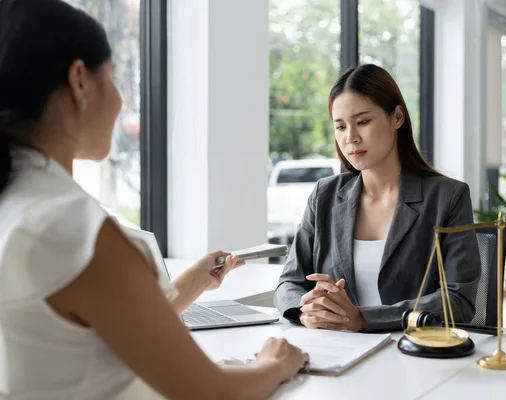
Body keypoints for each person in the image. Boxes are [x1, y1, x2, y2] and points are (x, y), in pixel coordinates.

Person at [0, 1, 306, 399]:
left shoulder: (17, 204)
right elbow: (211, 392)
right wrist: (275, 364)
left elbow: (79, 327)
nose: (120, 99)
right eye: (114, 78)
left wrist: (189, 285)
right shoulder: (74, 228)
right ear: (79, 80)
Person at [274, 64, 481, 332]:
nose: (351, 138)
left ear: (397, 117)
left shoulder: (447, 197)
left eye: (362, 122)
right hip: (335, 349)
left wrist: (364, 319)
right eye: (340, 127)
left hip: (412, 350)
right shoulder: (324, 195)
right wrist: (306, 313)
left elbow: (458, 300)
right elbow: (289, 283)